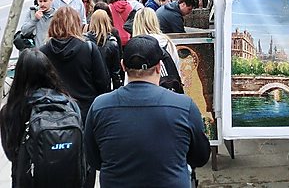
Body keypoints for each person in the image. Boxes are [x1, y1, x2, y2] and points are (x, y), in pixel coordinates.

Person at [84, 35, 210, 187]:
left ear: (123, 66)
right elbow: (200, 157)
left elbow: (93, 159)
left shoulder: (100, 106)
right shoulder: (184, 106)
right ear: (158, 67)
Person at [0, 48, 78, 187]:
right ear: (50, 72)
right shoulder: (69, 104)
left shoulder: (11, 110)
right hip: (67, 178)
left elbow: (11, 153)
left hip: (28, 180)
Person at [40, 6, 109, 122]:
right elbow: (102, 82)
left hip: (54, 113)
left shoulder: (43, 52)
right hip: (86, 111)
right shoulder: (89, 49)